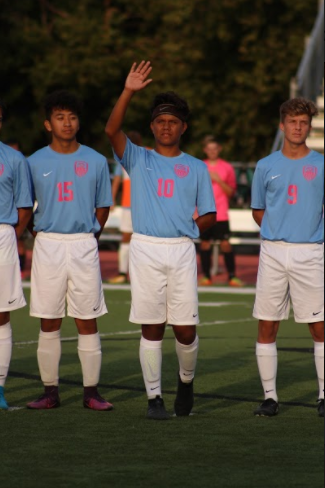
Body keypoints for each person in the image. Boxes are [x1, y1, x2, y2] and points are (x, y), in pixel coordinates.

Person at [105, 61, 216, 420]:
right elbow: (112, 129)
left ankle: (186, 382)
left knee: (185, 330)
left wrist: (192, 226)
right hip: (145, 248)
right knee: (151, 326)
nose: (166, 126)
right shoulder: (138, 158)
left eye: (173, 121)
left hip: (182, 249)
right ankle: (154, 398)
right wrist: (129, 91)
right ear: (152, 126)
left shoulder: (197, 166)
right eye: (160, 121)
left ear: (183, 127)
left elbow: (211, 213)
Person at [27, 90, 114, 411]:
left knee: (86, 319)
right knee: (48, 320)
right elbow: (25, 206)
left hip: (83, 244)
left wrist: (89, 235)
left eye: (72, 117)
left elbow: (103, 205)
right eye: (60, 117)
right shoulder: (33, 161)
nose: (67, 123)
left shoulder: (94, 160)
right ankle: (50, 391)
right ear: (48, 124)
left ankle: (92, 392)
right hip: (48, 244)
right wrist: (41, 234)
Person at [251, 97, 324, 418]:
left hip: (311, 252)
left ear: (309, 126)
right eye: (292, 121)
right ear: (282, 125)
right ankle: (270, 397)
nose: (298, 127)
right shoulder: (266, 165)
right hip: (273, 252)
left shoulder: (321, 164)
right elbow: (258, 210)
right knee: (268, 325)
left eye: (303, 122)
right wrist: (277, 229)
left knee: (319, 326)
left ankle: (323, 396)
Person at [0, 99, 33, 410]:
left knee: (0, 316)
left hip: (2, 235)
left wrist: (12, 234)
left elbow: (25, 207)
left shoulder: (14, 159)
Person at [199, 136, 243, 287]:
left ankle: (232, 276)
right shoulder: (200, 166)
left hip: (221, 213)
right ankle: (206, 276)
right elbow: (193, 191)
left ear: (219, 150)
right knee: (204, 244)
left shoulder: (227, 167)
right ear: (205, 150)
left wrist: (218, 180)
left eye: (214, 148)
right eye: (209, 149)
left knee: (225, 244)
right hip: (204, 213)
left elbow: (231, 192)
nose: (212, 151)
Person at [108, 131, 141, 284]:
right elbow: (117, 180)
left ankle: (139, 273)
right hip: (129, 205)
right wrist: (112, 199)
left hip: (144, 205)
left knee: (141, 238)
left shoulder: (148, 156)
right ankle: (123, 272)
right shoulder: (122, 159)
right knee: (127, 238)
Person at [5, 139, 28, 279]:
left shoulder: (20, 165)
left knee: (20, 242)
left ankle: (20, 270)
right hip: (6, 212)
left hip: (17, 212)